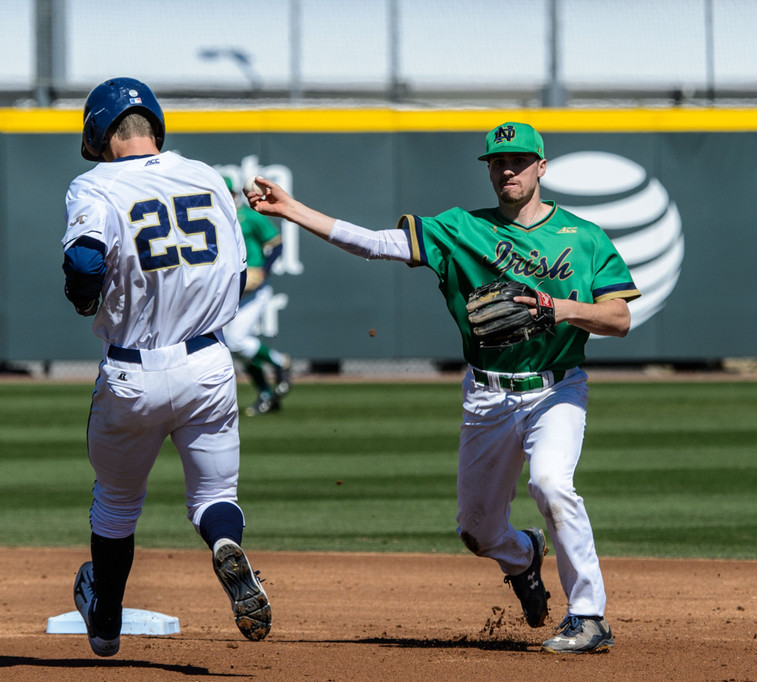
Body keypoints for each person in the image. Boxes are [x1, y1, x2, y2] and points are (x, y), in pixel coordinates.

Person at [244, 122, 639, 654]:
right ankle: (524, 557)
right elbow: (376, 244)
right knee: (477, 533)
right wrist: (294, 210)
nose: (508, 170)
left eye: (519, 161)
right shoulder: (461, 229)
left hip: (556, 389)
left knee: (550, 484)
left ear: (541, 167)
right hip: (487, 395)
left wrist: (557, 309)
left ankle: (589, 616)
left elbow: (619, 318)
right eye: (498, 162)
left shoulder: (583, 236)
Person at [61, 77, 271, 657]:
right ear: (155, 125)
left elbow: (83, 261)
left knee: (117, 503)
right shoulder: (207, 176)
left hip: (133, 369)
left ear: (101, 134)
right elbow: (236, 272)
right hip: (208, 362)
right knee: (213, 496)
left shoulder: (95, 184)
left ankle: (104, 625)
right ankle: (224, 546)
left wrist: (85, 296)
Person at [222, 175, 292, 416]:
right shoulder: (212, 218)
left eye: (227, 193)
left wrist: (264, 269)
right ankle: (267, 390)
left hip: (253, 290)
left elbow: (277, 243)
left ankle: (277, 363)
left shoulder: (248, 216)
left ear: (234, 195)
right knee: (233, 346)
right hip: (228, 290)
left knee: (235, 342)